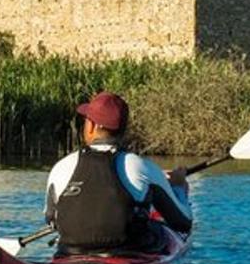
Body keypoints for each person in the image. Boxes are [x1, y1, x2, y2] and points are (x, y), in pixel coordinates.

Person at [45, 91, 193, 253]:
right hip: (129, 252)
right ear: (124, 130)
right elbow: (183, 223)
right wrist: (178, 187)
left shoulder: (61, 167)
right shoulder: (143, 166)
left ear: (92, 126)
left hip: (71, 252)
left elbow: (51, 220)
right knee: (160, 228)